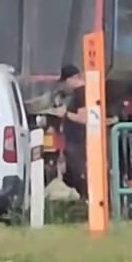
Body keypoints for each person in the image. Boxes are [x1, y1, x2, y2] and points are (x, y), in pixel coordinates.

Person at [54, 64, 89, 200]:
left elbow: (84, 118)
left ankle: (85, 199)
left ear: (71, 79)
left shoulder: (82, 93)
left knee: (78, 173)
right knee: (72, 173)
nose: (64, 86)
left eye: (65, 82)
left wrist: (66, 114)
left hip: (80, 141)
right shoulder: (77, 94)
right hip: (75, 142)